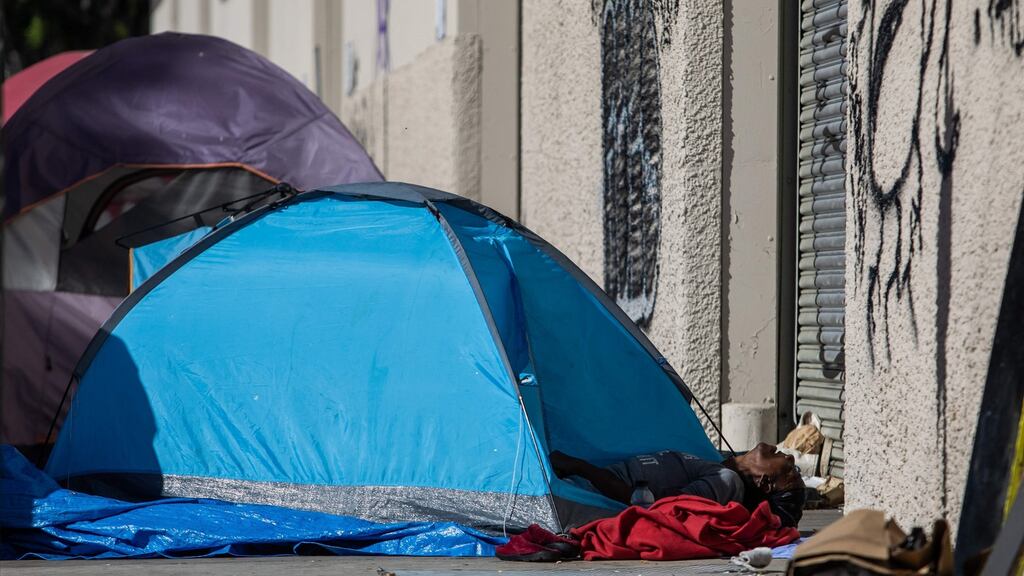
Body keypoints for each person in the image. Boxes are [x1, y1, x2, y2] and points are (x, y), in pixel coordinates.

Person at [549, 442, 806, 527]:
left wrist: (579, 466)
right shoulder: (720, 467)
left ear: (765, 483)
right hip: (580, 487)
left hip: (581, 497)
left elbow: (655, 506)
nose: (791, 457)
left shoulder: (726, 483)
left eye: (790, 471)